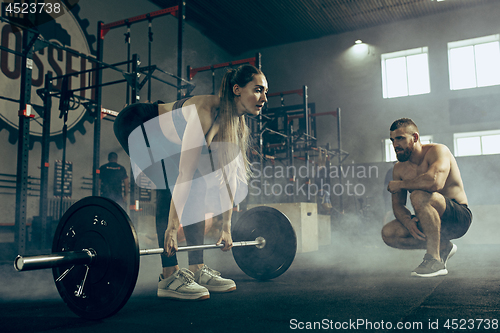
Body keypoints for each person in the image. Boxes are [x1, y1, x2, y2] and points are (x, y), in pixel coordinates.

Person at [113, 64, 268, 299]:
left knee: (200, 184)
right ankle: (168, 275)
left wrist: (227, 228)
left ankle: (196, 268)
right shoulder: (206, 112)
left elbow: (230, 177)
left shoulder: (233, 124)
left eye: (265, 91)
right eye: (258, 90)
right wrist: (172, 229)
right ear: (237, 89)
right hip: (136, 122)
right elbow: (182, 176)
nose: (264, 98)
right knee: (172, 182)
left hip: (162, 132)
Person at [381, 118, 472, 277]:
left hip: (457, 218)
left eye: (400, 138)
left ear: (415, 138)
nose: (395, 144)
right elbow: (398, 205)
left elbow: (434, 183)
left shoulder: (438, 151)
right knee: (389, 232)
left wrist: (401, 185)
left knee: (418, 195)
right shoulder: (399, 168)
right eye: (392, 140)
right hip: (429, 220)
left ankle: (434, 260)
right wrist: (408, 222)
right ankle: (443, 246)